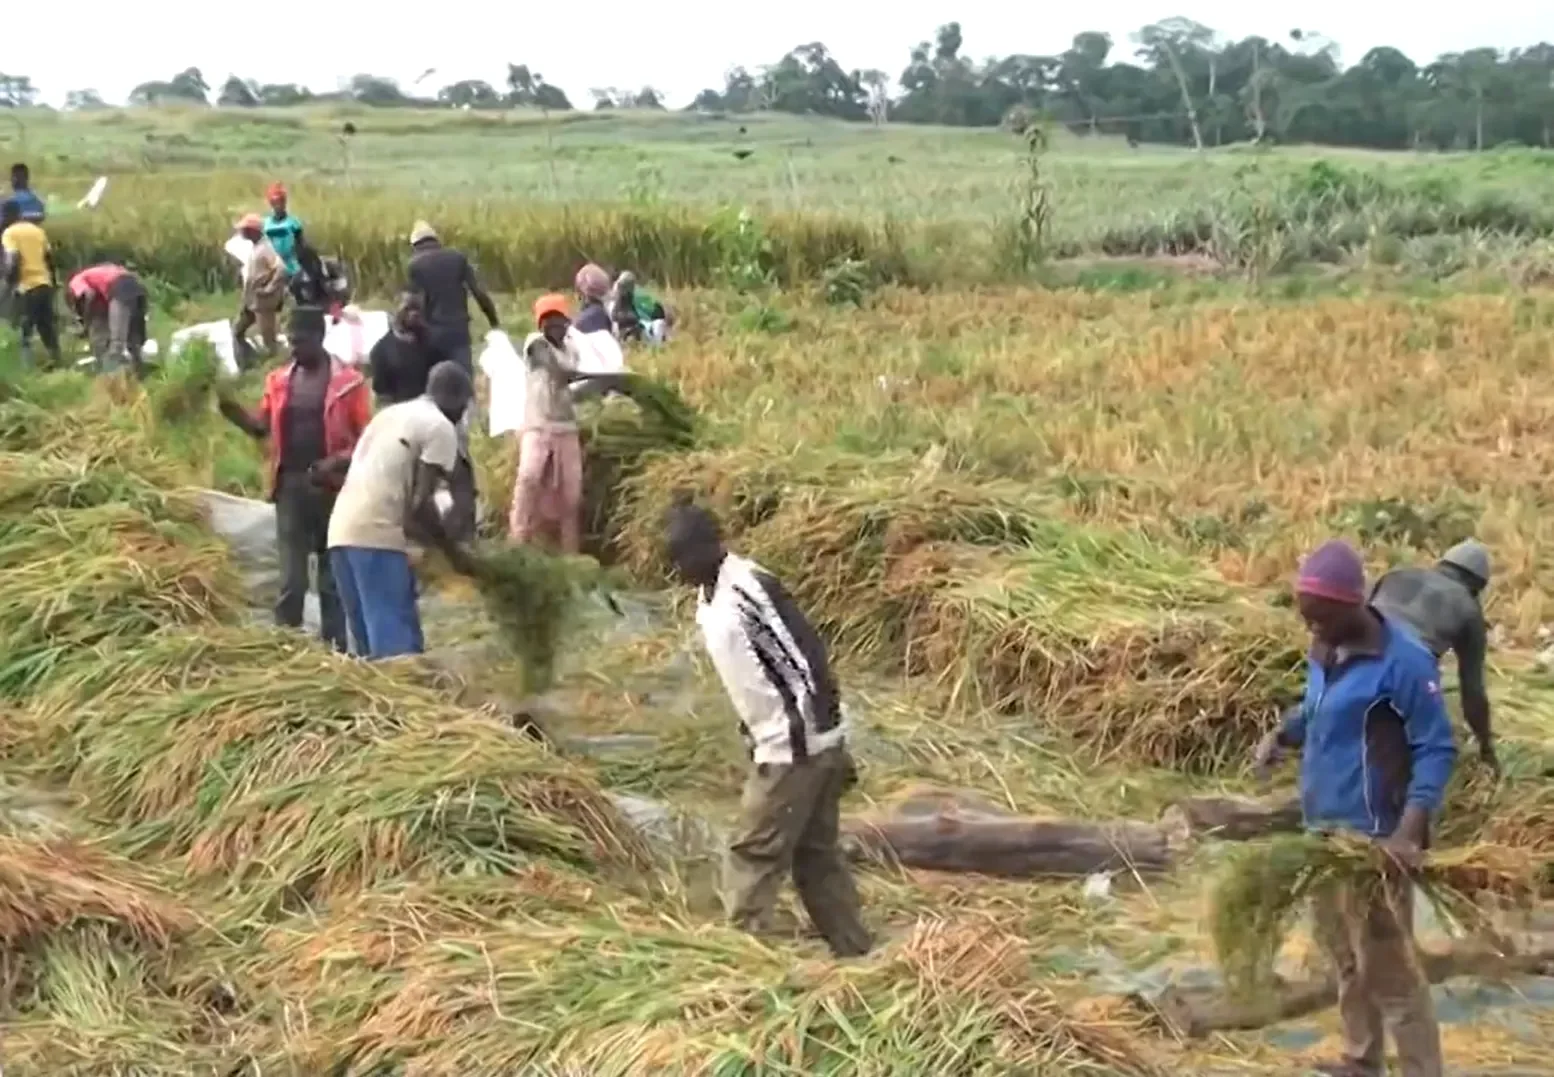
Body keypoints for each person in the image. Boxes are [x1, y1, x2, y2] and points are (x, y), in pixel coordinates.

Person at [1254, 539, 1454, 1077]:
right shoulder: (1326, 648)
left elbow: (1436, 748)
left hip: (1374, 842)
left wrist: (1409, 833)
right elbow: (1318, 708)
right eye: (1307, 620)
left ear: (1353, 605)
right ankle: (1362, 1060)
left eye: (1320, 619)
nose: (1311, 630)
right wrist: (1284, 734)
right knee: (1345, 958)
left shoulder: (1404, 663)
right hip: (1322, 832)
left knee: (1392, 974)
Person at [665, 501, 871, 959]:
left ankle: (740, 960)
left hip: (794, 747)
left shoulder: (750, 594)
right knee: (815, 855)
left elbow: (807, 661)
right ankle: (855, 951)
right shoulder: (710, 593)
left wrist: (812, 744)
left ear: (711, 548)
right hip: (783, 740)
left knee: (752, 852)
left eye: (683, 558)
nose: (677, 570)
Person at [218, 307, 369, 651]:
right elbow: (260, 427)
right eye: (291, 341)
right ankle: (284, 647)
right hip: (290, 487)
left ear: (319, 338)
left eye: (300, 341)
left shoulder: (348, 384)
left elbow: (366, 440)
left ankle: (336, 647)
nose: (294, 348)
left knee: (331, 578)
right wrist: (232, 411)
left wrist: (334, 463)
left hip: (332, 491)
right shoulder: (279, 380)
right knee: (292, 579)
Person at [327, 361, 473, 660]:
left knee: (369, 657)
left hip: (341, 533)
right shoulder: (440, 426)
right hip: (377, 538)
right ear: (458, 399)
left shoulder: (391, 413)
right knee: (398, 659)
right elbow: (419, 506)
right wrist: (452, 553)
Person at [1369, 539, 1496, 775]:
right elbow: (1472, 690)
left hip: (1356, 652)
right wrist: (1486, 746)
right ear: (1477, 587)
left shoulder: (1396, 575)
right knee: (1427, 751)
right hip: (1409, 668)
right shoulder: (1468, 608)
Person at [509, 294, 604, 553]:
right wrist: (592, 377)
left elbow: (570, 383)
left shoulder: (572, 349)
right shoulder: (536, 344)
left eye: (558, 322)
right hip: (537, 424)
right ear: (540, 326)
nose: (554, 327)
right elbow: (559, 371)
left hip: (565, 426)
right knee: (529, 477)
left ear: (567, 323)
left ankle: (570, 552)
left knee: (571, 494)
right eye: (547, 322)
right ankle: (517, 542)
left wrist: (599, 387)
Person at [406, 220, 499, 374]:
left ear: (415, 245)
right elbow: (479, 293)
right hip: (458, 331)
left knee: (435, 385)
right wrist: (494, 322)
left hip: (431, 333)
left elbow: (412, 304)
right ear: (437, 240)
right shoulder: (457, 258)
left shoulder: (414, 265)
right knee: (464, 382)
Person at [1, 198, 60, 367]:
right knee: (46, 327)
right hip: (44, 284)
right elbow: (49, 259)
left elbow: (13, 260)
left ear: (7, 215)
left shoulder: (9, 233)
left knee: (22, 331)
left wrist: (8, 285)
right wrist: (53, 283)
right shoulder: (37, 231)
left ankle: (26, 370)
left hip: (26, 287)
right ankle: (57, 361)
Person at [67, 263, 147, 376]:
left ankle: (109, 380)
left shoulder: (76, 281)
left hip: (120, 289)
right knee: (134, 342)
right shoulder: (101, 274)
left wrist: (86, 320)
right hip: (137, 288)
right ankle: (140, 376)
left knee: (117, 344)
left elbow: (89, 294)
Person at [231, 213, 289, 368]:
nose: (242, 232)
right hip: (251, 300)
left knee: (269, 340)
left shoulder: (266, 248)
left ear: (253, 231)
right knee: (237, 331)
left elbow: (282, 269)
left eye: (244, 229)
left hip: (263, 302)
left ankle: (276, 367)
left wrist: (270, 288)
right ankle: (249, 361)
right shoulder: (255, 247)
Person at [368, 293, 436, 407]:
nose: (414, 314)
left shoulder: (430, 342)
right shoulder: (381, 351)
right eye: (408, 309)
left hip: (428, 407)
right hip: (398, 409)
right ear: (396, 312)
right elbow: (382, 395)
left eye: (417, 309)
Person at [611, 270, 671, 343]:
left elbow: (650, 309)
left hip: (638, 326)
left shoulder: (636, 295)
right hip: (629, 328)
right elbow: (615, 315)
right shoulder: (621, 299)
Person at [262, 182, 305, 277]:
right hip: (271, 269)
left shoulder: (294, 222)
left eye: (280, 201)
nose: (278, 205)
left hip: (291, 269)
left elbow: (301, 246)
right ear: (271, 203)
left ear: (284, 202)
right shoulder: (265, 223)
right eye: (274, 202)